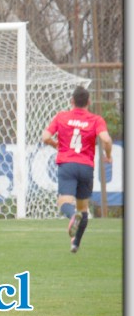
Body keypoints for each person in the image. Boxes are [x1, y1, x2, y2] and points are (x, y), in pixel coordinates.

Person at [42, 86, 112, 253]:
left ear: (72, 101)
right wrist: (108, 155)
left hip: (68, 166)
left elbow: (45, 137)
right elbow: (106, 139)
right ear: (89, 102)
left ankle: (72, 216)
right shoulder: (95, 119)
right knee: (83, 208)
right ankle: (75, 243)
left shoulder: (62, 116)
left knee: (64, 202)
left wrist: (55, 144)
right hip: (86, 167)